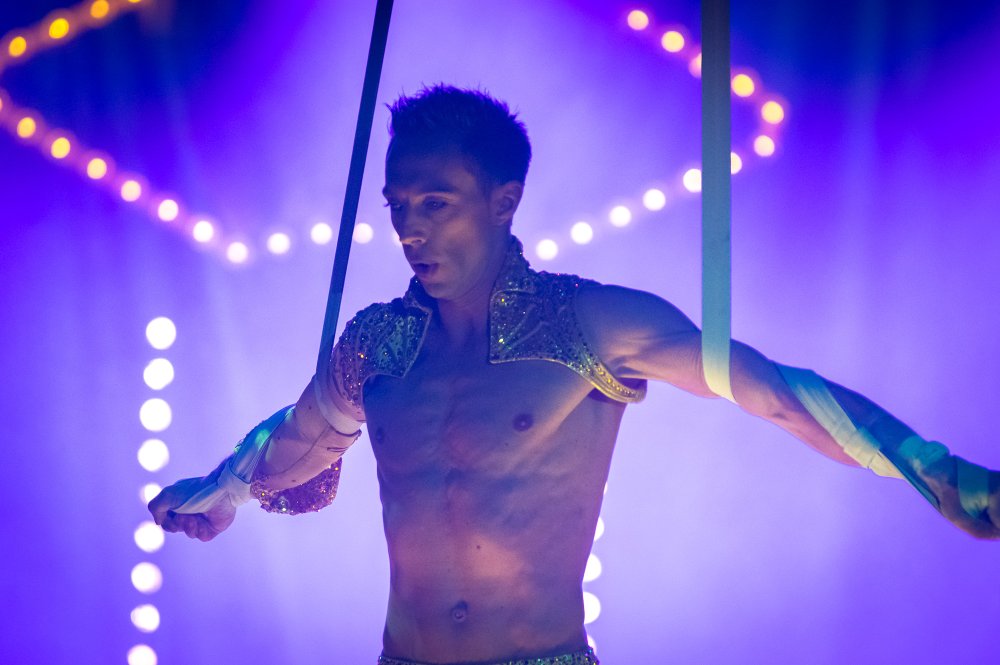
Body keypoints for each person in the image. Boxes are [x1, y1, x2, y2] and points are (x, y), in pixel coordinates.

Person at [149, 85, 999, 665]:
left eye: (435, 203)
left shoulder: (588, 323)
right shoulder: (378, 344)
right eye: (398, 206)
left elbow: (778, 392)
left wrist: (931, 467)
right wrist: (223, 487)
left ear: (504, 200)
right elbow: (299, 436)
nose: (410, 229)